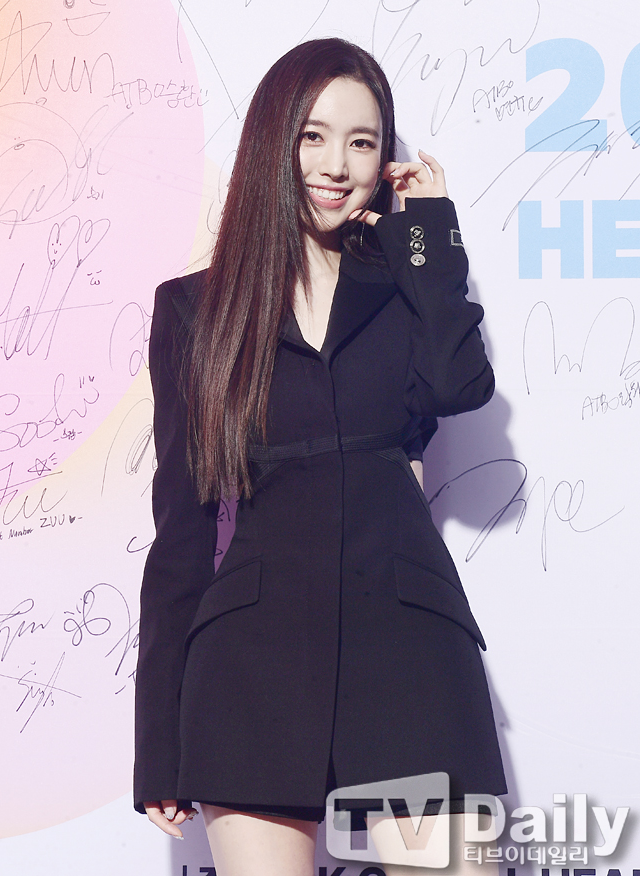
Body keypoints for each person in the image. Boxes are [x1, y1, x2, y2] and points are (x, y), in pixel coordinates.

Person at [133, 37, 507, 876]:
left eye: (363, 142)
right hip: (251, 667)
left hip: (412, 649)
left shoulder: (405, 282)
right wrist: (158, 742)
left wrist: (429, 233)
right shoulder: (194, 311)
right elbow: (181, 532)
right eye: (313, 135)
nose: (337, 165)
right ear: (275, 139)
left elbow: (459, 386)